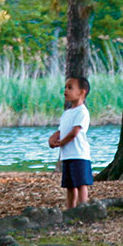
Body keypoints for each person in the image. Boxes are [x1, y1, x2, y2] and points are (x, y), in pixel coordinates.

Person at [48, 76, 91, 209]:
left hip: (79, 155)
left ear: (82, 92)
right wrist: (52, 138)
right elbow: (61, 130)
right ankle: (70, 210)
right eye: (65, 87)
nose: (66, 90)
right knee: (70, 185)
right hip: (67, 155)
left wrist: (61, 143)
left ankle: (83, 208)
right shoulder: (67, 113)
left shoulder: (82, 112)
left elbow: (74, 132)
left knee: (81, 184)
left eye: (70, 88)